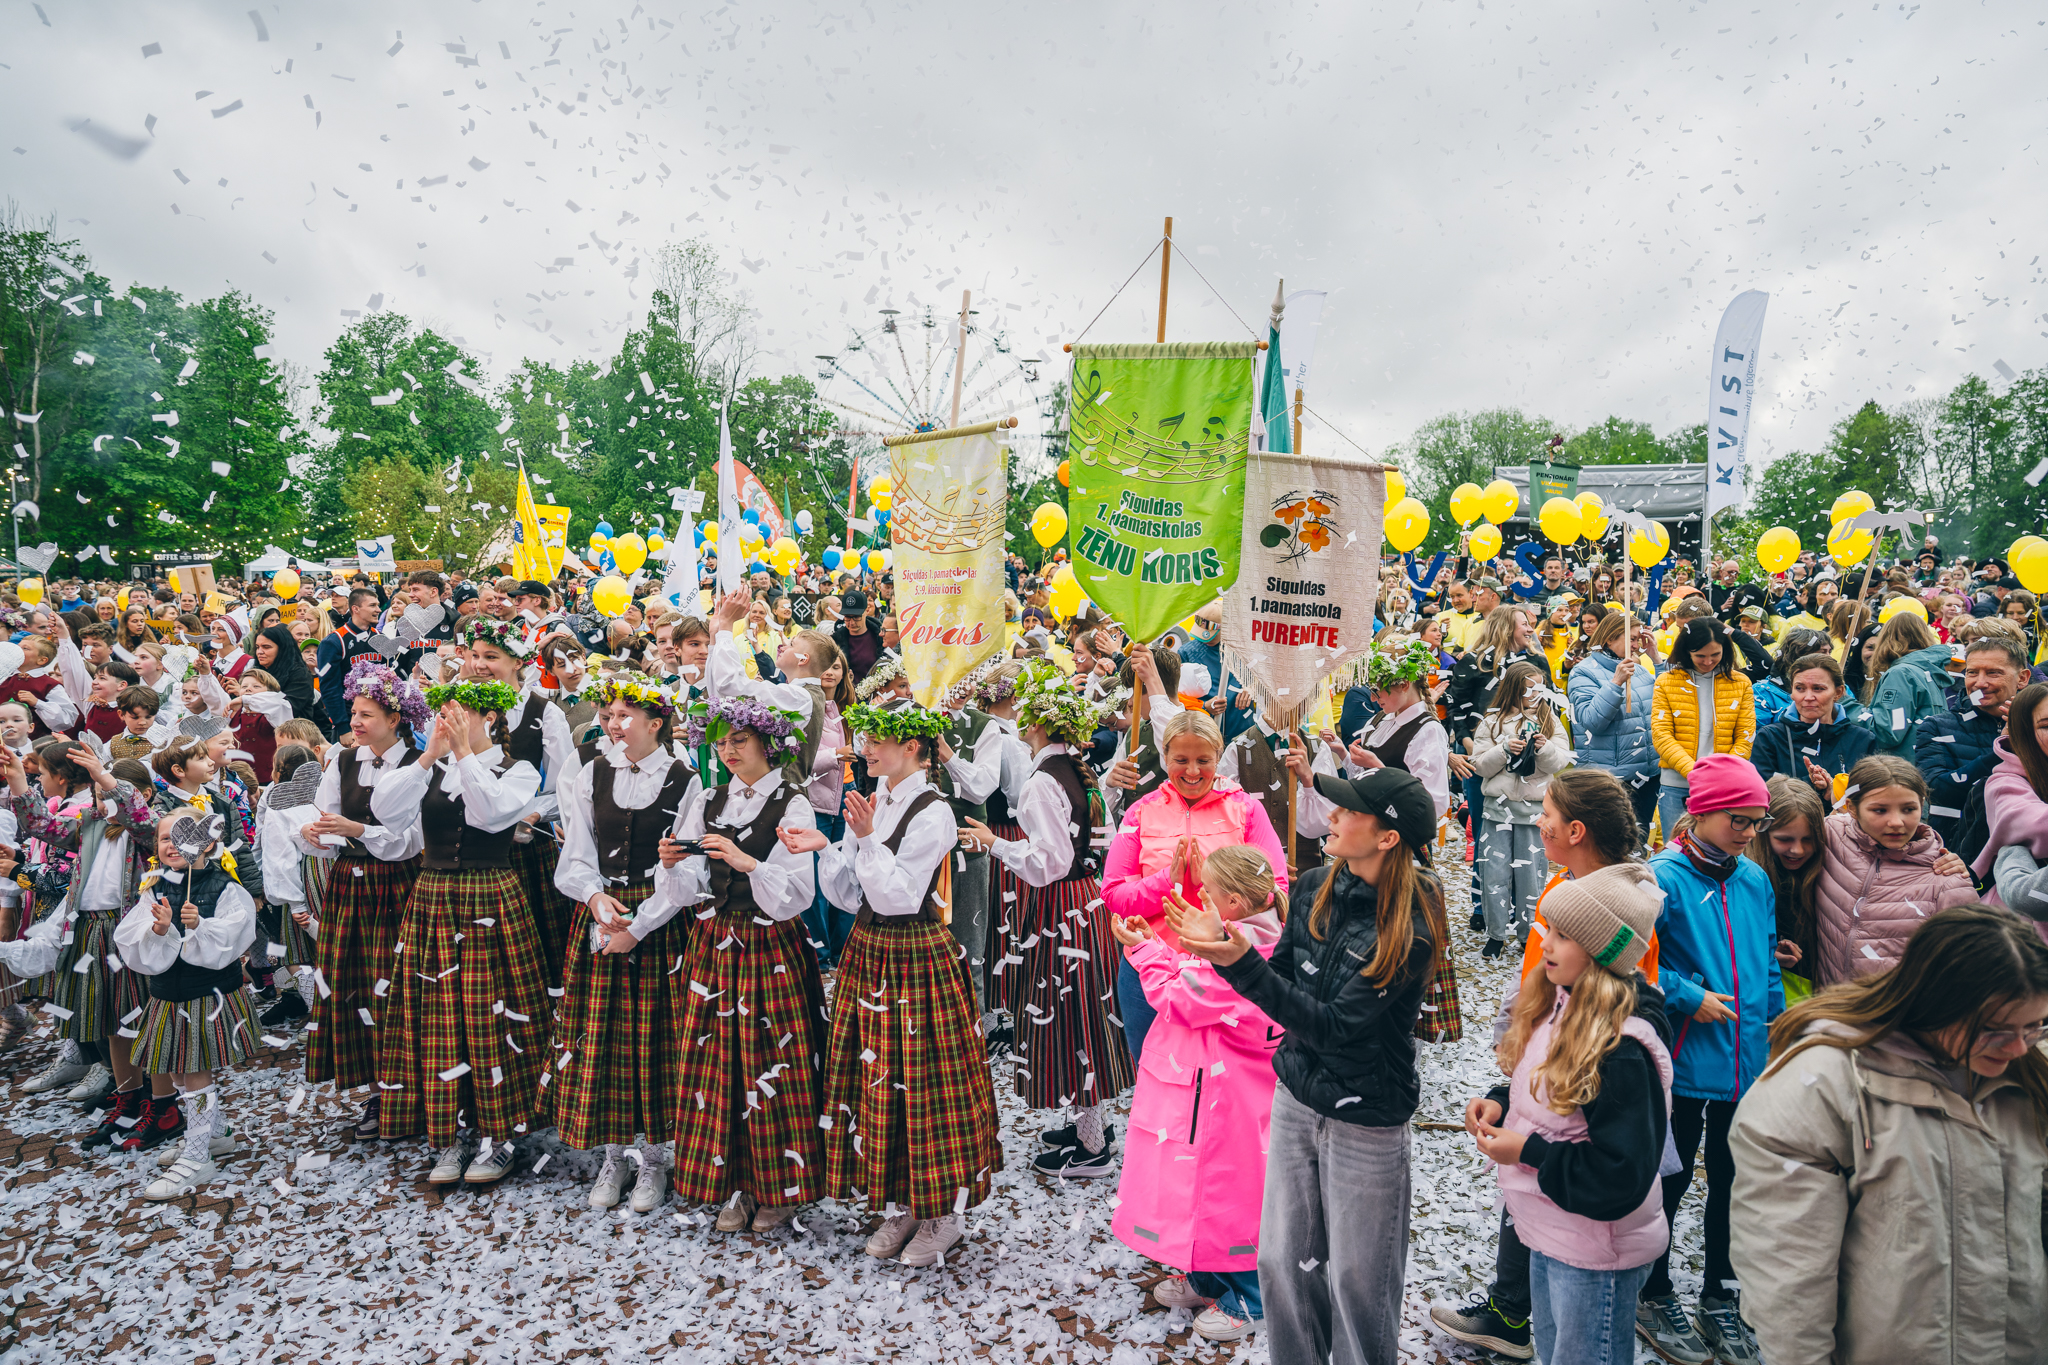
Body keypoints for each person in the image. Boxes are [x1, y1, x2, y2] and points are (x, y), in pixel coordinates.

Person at [1173, 768, 1445, 1365]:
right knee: (1280, 1262)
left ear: (1386, 838)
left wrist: (1241, 962)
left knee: (1357, 1280)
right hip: (1297, 1096)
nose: (1333, 815)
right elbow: (1289, 987)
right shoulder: (1316, 884)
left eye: (1349, 810)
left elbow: (1333, 1025)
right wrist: (1228, 954)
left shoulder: (1410, 924)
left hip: (1366, 1117)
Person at [1728, 905, 2048, 1364]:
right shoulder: (1823, 1085)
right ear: (1936, 1003)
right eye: (1995, 1030)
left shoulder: (2028, 1077)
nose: (2018, 1047)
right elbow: (1788, 1271)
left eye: (2034, 1026)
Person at [794, 697, 1003, 1266]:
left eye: (875, 742)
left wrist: (860, 840)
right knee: (879, 1077)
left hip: (914, 952)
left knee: (924, 1078)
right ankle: (901, 1201)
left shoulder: (933, 810)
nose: (863, 750)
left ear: (911, 747)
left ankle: (941, 1212)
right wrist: (829, 849)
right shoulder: (878, 797)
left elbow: (900, 895)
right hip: (869, 948)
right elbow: (848, 894)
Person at [1466, 865, 1673, 1365]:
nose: (1547, 943)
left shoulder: (1621, 1048)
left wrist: (1528, 1151)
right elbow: (1552, 1092)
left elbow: (1620, 1175)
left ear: (1605, 950)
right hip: (1552, 1232)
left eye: (1564, 935)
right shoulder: (1562, 1004)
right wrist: (1501, 1099)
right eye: (1549, 929)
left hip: (1596, 1252)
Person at [369, 683, 549, 1186]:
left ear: (488, 717)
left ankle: (500, 1136)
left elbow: (490, 813)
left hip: (488, 894)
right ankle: (448, 1132)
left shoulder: (517, 770)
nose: (445, 721)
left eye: (457, 713)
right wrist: (429, 755)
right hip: (433, 896)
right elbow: (386, 812)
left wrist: (467, 754)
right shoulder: (434, 766)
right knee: (438, 1013)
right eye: (441, 714)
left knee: (491, 1011)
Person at [961, 662, 1134, 1179]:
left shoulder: (1042, 782)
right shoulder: (1075, 768)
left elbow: (1048, 862)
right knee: (1078, 1013)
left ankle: (1092, 1144)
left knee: (1072, 1018)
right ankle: (1087, 1124)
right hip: (1084, 902)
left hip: (1060, 908)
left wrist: (995, 845)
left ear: (1034, 721)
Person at [1108, 845, 1284, 1344]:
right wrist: (1163, 951)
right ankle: (1209, 1274)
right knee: (1203, 1185)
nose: (1197, 894)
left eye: (1205, 888)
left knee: (1232, 1189)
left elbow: (1185, 997)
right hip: (1212, 1089)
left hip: (1227, 1097)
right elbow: (1192, 972)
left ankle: (1250, 1293)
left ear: (1229, 901)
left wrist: (1143, 952)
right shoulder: (1241, 933)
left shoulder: (1251, 948)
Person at [1635, 754, 1776, 1365]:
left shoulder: (1753, 879)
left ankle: (1722, 1292)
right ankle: (1653, 1287)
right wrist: (1689, 996)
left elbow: (1765, 956)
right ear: (1699, 813)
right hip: (1689, 1062)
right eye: (1736, 820)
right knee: (1673, 1176)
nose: (1747, 833)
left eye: (1755, 821)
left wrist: (1773, 1019)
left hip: (1745, 1061)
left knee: (1734, 1180)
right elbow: (1635, 957)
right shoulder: (1663, 877)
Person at [548, 675, 703, 1214]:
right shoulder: (592, 772)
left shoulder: (685, 779)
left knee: (654, 1036)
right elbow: (577, 849)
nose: (613, 725)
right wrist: (593, 899)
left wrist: (640, 924)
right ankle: (615, 1154)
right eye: (609, 715)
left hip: (657, 914)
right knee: (605, 1033)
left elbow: (686, 865)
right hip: (603, 907)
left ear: (656, 723)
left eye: (624, 717)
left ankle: (656, 1160)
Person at [1099, 709, 1289, 1064]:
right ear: (1165, 756)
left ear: (1219, 757)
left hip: (1226, 969)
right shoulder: (1140, 811)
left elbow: (1274, 890)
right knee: (1155, 1074)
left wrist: (1212, 885)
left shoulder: (1245, 809)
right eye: (1181, 759)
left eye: (1204, 760)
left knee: (1221, 1081)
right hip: (1149, 967)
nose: (1192, 771)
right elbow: (1113, 896)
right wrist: (1166, 882)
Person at [0, 742, 159, 1112]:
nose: (104, 804)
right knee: (107, 1019)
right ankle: (127, 1094)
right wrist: (19, 778)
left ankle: (155, 1093)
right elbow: (41, 824)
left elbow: (140, 819)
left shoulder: (146, 832)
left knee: (133, 1013)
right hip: (87, 929)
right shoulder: (90, 825)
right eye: (100, 796)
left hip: (124, 930)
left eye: (110, 796)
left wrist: (104, 775)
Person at [112, 809, 260, 1199]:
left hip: (204, 995)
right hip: (167, 993)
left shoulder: (224, 886)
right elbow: (133, 936)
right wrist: (158, 928)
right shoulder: (154, 885)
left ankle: (197, 1157)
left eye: (182, 836)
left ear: (207, 843)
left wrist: (199, 926)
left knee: (194, 1071)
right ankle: (216, 1134)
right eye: (164, 838)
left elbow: (236, 932)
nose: (172, 844)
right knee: (178, 1071)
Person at [1812, 755, 1976, 985]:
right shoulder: (1830, 834)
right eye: (1880, 810)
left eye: (1908, 809)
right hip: (1828, 1008)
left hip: (1899, 1016)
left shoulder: (1947, 880)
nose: (1897, 822)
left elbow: (1967, 970)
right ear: (1852, 808)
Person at [1469, 661, 1569, 958]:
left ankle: (1529, 935)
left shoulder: (1550, 720)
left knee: (1531, 877)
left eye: (1540, 687)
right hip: (1497, 810)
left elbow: (1560, 762)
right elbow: (1480, 766)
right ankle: (1496, 934)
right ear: (1514, 688)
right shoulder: (1492, 721)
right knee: (1494, 873)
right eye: (1529, 688)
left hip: (1534, 812)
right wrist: (1503, 749)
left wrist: (1543, 747)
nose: (1535, 693)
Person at [1649, 617, 1756, 843]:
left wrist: (1722, 774)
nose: (1708, 662)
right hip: (1677, 783)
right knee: (1677, 851)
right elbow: (1661, 734)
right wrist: (1695, 773)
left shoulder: (1741, 683)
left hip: (1724, 784)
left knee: (1720, 848)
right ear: (1686, 651)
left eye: (1715, 655)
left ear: (1725, 650)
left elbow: (1746, 735)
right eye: (1700, 656)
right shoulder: (1666, 681)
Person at [1915, 634, 2027, 848]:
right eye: (1972, 672)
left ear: (2022, 678)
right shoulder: (1936, 726)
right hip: (1956, 854)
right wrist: (2003, 747)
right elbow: (1937, 792)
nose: (1980, 683)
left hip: (2027, 850)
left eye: (1994, 673)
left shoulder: (2039, 724)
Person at [1566, 611, 1660, 836]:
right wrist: (1615, 683)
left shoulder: (1640, 669)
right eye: (1632, 639)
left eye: (1640, 638)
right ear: (1609, 639)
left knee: (1638, 845)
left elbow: (1666, 700)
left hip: (1647, 775)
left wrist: (1656, 659)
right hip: (1611, 779)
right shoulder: (1584, 672)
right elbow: (1591, 722)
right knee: (1609, 845)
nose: (1637, 645)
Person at [1747, 651, 1875, 798]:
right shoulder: (1770, 738)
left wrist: (1836, 795)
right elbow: (1763, 794)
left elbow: (1870, 795)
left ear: (1838, 693)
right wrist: (1811, 783)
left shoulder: (1862, 739)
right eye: (1800, 688)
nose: (1808, 697)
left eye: (1818, 689)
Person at [1747, 776, 1826, 1004]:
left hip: (1820, 993)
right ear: (1761, 832)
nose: (1798, 850)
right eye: (1784, 839)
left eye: (1809, 840)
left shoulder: (1829, 867)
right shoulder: (1747, 878)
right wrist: (1767, 955)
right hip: (1769, 998)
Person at [1860, 612, 1951, 757]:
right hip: (1925, 764)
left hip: (1901, 769)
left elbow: (1888, 733)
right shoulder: (1928, 671)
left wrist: (1848, 706)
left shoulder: (1901, 674)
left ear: (1887, 638)